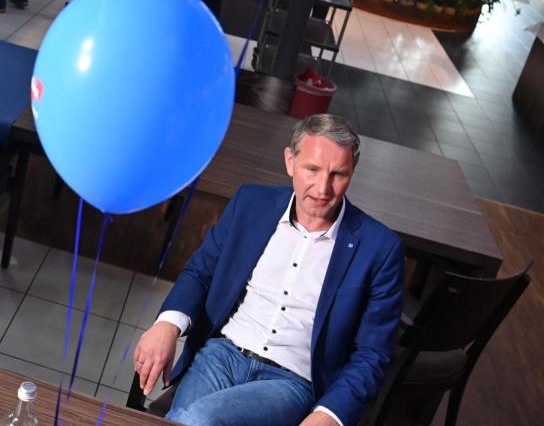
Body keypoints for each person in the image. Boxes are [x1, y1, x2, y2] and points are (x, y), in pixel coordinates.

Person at [134, 114, 403, 426]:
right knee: (188, 421)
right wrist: (167, 325)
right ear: (290, 161)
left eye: (338, 174)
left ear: (352, 173)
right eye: (312, 170)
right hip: (221, 354)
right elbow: (201, 272)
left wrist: (330, 414)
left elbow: (373, 354)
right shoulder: (251, 202)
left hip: (292, 381)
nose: (323, 188)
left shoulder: (380, 248)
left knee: (196, 419)